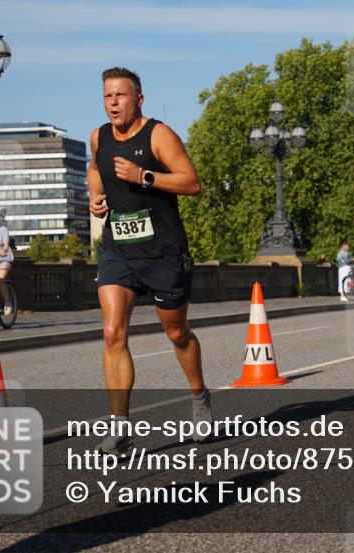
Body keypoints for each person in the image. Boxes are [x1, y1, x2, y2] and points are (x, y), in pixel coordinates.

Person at [88, 67, 210, 454]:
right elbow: (95, 168)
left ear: (138, 99)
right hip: (117, 250)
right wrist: (95, 197)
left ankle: (199, 396)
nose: (113, 103)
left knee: (177, 333)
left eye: (120, 96)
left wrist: (145, 177)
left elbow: (192, 182)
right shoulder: (99, 137)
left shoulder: (158, 134)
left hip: (163, 252)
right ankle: (121, 426)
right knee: (112, 333)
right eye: (107, 96)